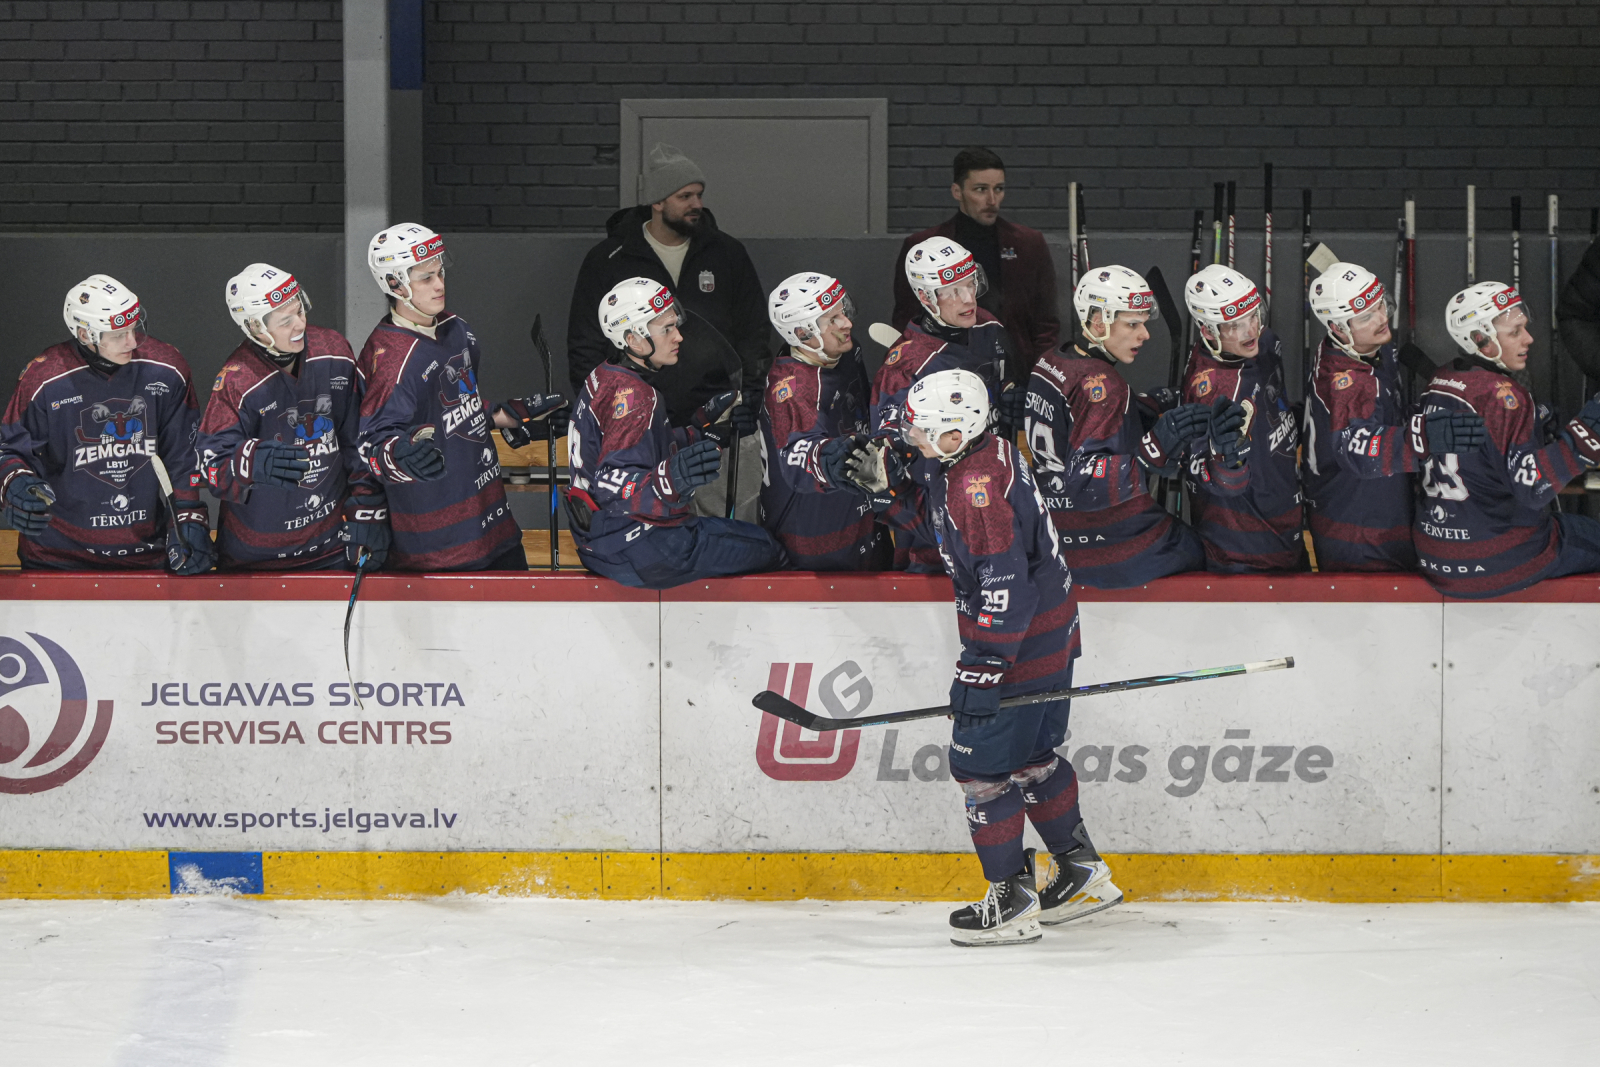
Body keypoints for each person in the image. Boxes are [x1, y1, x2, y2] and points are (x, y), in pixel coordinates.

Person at [862, 368, 1119, 947]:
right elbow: (952, 536)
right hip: (1050, 634)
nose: (910, 436)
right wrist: (889, 496)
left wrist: (984, 667)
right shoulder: (982, 454)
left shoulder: (975, 488)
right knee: (1032, 759)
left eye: (922, 429)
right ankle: (1080, 873)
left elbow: (1005, 587)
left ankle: (1010, 901)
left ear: (956, 433)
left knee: (980, 772)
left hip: (1020, 645)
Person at [565, 143, 768, 520]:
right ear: (657, 201)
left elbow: (754, 335)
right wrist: (608, 411)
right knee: (652, 533)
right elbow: (585, 345)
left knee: (731, 531)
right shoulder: (609, 259)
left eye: (699, 195)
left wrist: (749, 401)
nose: (697, 204)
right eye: (684, 196)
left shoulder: (727, 254)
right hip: (640, 428)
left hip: (718, 427)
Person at [356, 223, 567, 571]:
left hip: (495, 526)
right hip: (440, 548)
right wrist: (399, 455)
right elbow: (371, 446)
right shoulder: (391, 360)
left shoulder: (456, 328)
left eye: (440, 272)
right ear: (395, 284)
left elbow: (455, 406)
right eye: (426, 278)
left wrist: (508, 417)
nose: (440, 284)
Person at [565, 277, 785, 589]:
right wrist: (671, 478)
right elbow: (612, 484)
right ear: (634, 339)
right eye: (666, 329)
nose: (678, 336)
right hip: (646, 549)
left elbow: (635, 446)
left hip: (599, 545)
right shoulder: (637, 397)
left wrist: (701, 432)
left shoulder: (603, 376)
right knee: (769, 548)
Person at [0, 274, 213, 574]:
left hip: (146, 555)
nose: (132, 341)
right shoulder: (43, 379)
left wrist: (190, 517)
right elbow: (9, 449)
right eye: (118, 334)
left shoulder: (167, 369)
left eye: (133, 328)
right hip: (56, 557)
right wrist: (14, 484)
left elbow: (183, 456)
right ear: (84, 334)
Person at [1024, 266, 1208, 588]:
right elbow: (1086, 479)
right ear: (1099, 321)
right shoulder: (1105, 385)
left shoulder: (1052, 360)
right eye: (1132, 324)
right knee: (1205, 549)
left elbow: (1076, 418)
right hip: (1099, 541)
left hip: (1050, 528)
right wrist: (1152, 452)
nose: (1145, 334)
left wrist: (1142, 406)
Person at [1414, 282, 1600, 598]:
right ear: (1480, 340)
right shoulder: (1505, 398)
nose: (1529, 338)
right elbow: (1533, 488)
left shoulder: (1439, 381)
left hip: (1435, 555)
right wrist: (1586, 433)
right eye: (1515, 332)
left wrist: (1532, 423)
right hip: (1500, 560)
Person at [196, 263, 385, 571]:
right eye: (286, 321)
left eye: (300, 311)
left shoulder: (333, 351)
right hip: (256, 560)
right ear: (255, 327)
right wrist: (249, 462)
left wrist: (367, 509)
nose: (300, 325)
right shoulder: (237, 380)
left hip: (332, 550)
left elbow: (358, 440)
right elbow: (210, 466)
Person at [874, 237, 1021, 571]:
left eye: (971, 284)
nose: (968, 298)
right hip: (936, 523)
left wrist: (1015, 400)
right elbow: (888, 454)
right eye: (953, 291)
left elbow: (1006, 386)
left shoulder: (990, 328)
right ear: (926, 297)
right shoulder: (904, 367)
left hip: (998, 499)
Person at [757, 272, 890, 569]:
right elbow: (798, 457)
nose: (847, 323)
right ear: (802, 334)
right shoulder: (793, 389)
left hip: (860, 515)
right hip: (813, 533)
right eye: (832, 320)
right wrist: (833, 459)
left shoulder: (845, 352)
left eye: (843, 311)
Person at [890, 147, 1060, 376]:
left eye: (998, 189)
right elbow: (906, 319)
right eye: (981, 189)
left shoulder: (1029, 244)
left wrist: (1041, 375)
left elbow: (1046, 324)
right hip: (942, 371)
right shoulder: (921, 248)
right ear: (957, 191)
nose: (992, 200)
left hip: (1016, 372)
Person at [1181, 264, 1304, 573]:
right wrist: (1225, 463)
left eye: (1254, 315)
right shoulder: (1216, 390)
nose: (1251, 331)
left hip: (1283, 520)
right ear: (1208, 331)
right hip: (1242, 547)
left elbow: (1273, 405)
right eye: (1235, 325)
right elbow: (1200, 471)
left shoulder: (1265, 342)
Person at [1302, 262, 1419, 571]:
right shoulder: (1349, 385)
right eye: (1366, 316)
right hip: (1358, 531)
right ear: (1338, 328)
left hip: (1362, 509)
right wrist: (1427, 435)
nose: (1382, 319)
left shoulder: (1361, 346)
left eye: (1381, 305)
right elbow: (1361, 450)